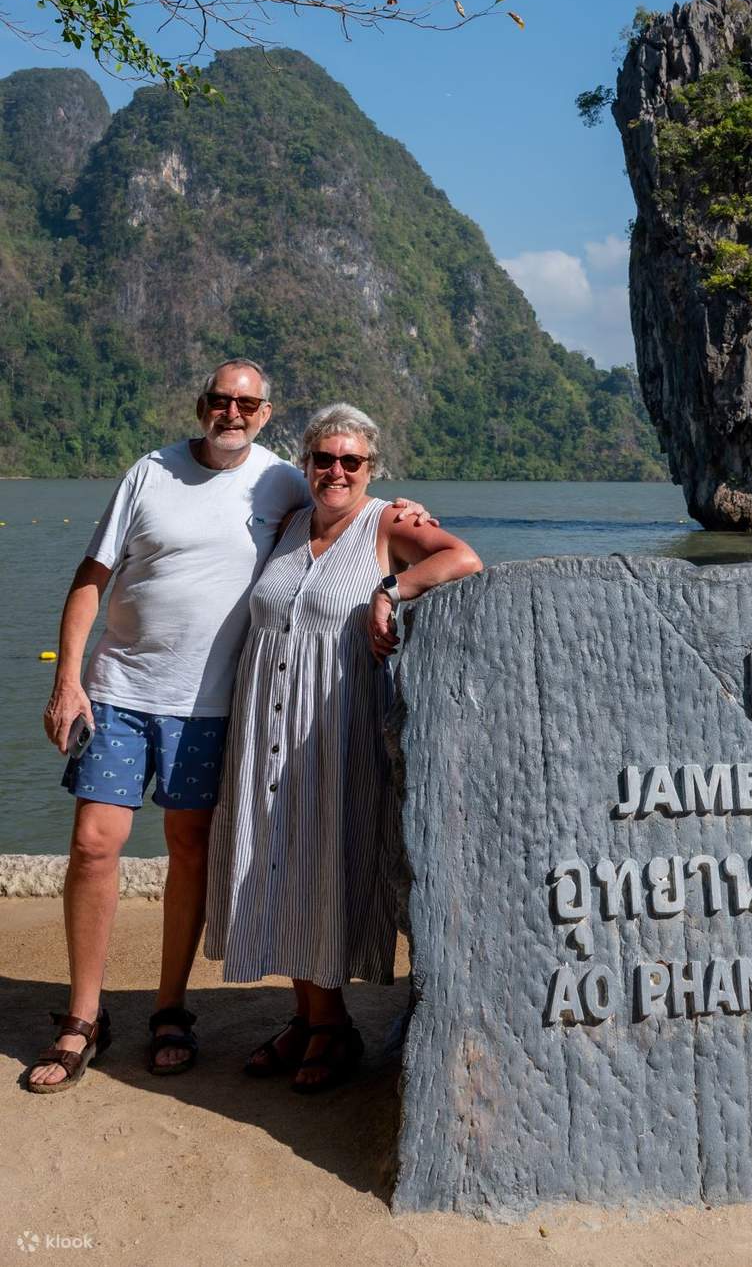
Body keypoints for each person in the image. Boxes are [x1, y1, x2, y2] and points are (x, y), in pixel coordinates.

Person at [24, 362, 430, 1093]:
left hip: (212, 705)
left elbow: (367, 518)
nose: (232, 412)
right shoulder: (150, 473)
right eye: (221, 400)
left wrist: (397, 539)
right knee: (92, 845)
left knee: (189, 848)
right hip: (120, 690)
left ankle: (170, 1010)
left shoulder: (281, 482)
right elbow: (91, 577)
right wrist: (67, 683)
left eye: (246, 403)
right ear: (202, 405)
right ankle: (84, 1016)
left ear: (266, 413)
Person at [204, 402, 481, 1092]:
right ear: (305, 463)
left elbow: (464, 559)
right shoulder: (291, 524)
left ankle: (332, 1026)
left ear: (371, 468)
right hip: (263, 730)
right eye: (324, 458)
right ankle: (307, 1017)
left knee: (323, 861)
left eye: (350, 461)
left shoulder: (388, 521)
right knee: (276, 862)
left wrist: (394, 589)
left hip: (335, 727)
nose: (336, 471)